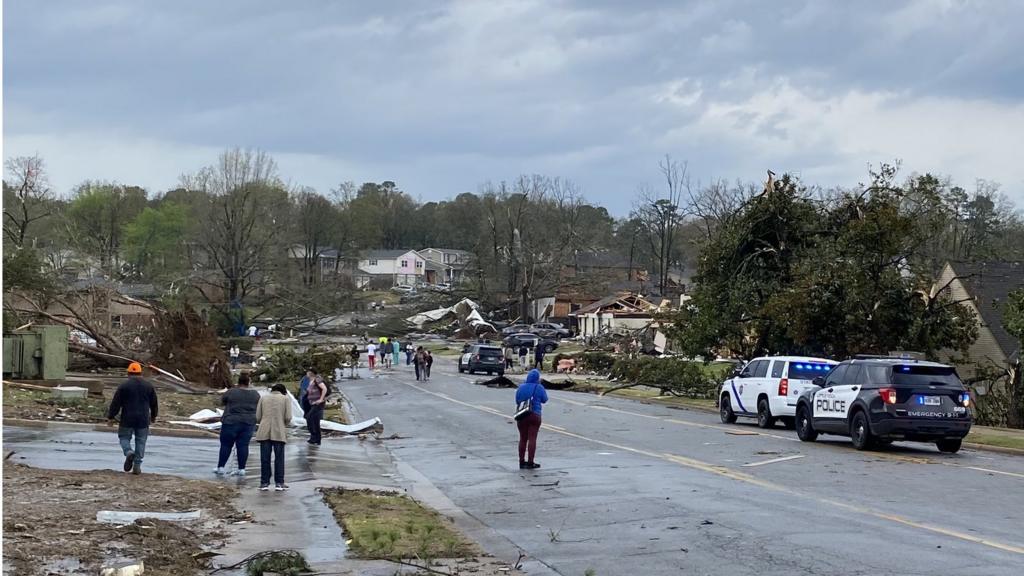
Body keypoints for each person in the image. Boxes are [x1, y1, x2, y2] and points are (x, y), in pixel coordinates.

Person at [106, 362, 159, 475]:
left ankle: (128, 451)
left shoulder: (124, 386)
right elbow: (154, 403)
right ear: (140, 373)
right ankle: (137, 466)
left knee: (124, 437)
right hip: (143, 419)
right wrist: (154, 416)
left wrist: (111, 417)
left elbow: (116, 403)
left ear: (128, 373)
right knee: (141, 441)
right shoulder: (148, 386)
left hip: (127, 418)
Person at [215, 372, 260, 476]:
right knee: (243, 445)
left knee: (226, 445)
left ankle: (221, 467)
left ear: (238, 382)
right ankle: (241, 469)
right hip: (248, 423)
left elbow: (222, 401)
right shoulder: (255, 394)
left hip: (231, 421)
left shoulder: (231, 392)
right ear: (248, 382)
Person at [255, 383, 292, 491]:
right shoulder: (285, 399)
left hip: (264, 431)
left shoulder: (263, 398)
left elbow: (258, 416)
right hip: (279, 431)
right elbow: (288, 417)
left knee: (265, 458)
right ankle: (279, 483)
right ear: (283, 391)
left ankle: (264, 483)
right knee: (279, 458)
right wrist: (283, 424)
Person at [515, 369, 548, 470]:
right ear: (537, 378)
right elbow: (545, 399)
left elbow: (517, 400)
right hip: (535, 414)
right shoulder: (539, 387)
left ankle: (521, 461)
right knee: (532, 438)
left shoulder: (521, 387)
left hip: (522, 415)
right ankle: (530, 462)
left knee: (522, 438)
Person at [305, 372, 328, 445]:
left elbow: (324, 389)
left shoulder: (317, 380)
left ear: (312, 373)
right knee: (315, 421)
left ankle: (314, 437)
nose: (306, 373)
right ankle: (316, 439)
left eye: (308, 372)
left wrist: (321, 399)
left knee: (309, 418)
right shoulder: (310, 381)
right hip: (312, 403)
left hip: (318, 404)